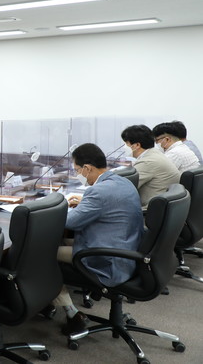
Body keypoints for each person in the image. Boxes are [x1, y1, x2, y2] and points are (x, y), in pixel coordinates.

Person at [54, 143, 143, 336]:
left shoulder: (98, 192)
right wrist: (85, 204)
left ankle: (72, 313)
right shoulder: (122, 182)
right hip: (126, 251)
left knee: (41, 254)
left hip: (107, 261)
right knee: (57, 243)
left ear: (87, 168)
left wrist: (49, 210)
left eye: (77, 170)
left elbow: (70, 222)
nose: (77, 174)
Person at [121, 125, 180, 208]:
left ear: (137, 145)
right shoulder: (154, 154)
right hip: (161, 208)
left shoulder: (148, 162)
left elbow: (123, 187)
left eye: (126, 143)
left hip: (147, 210)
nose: (124, 146)